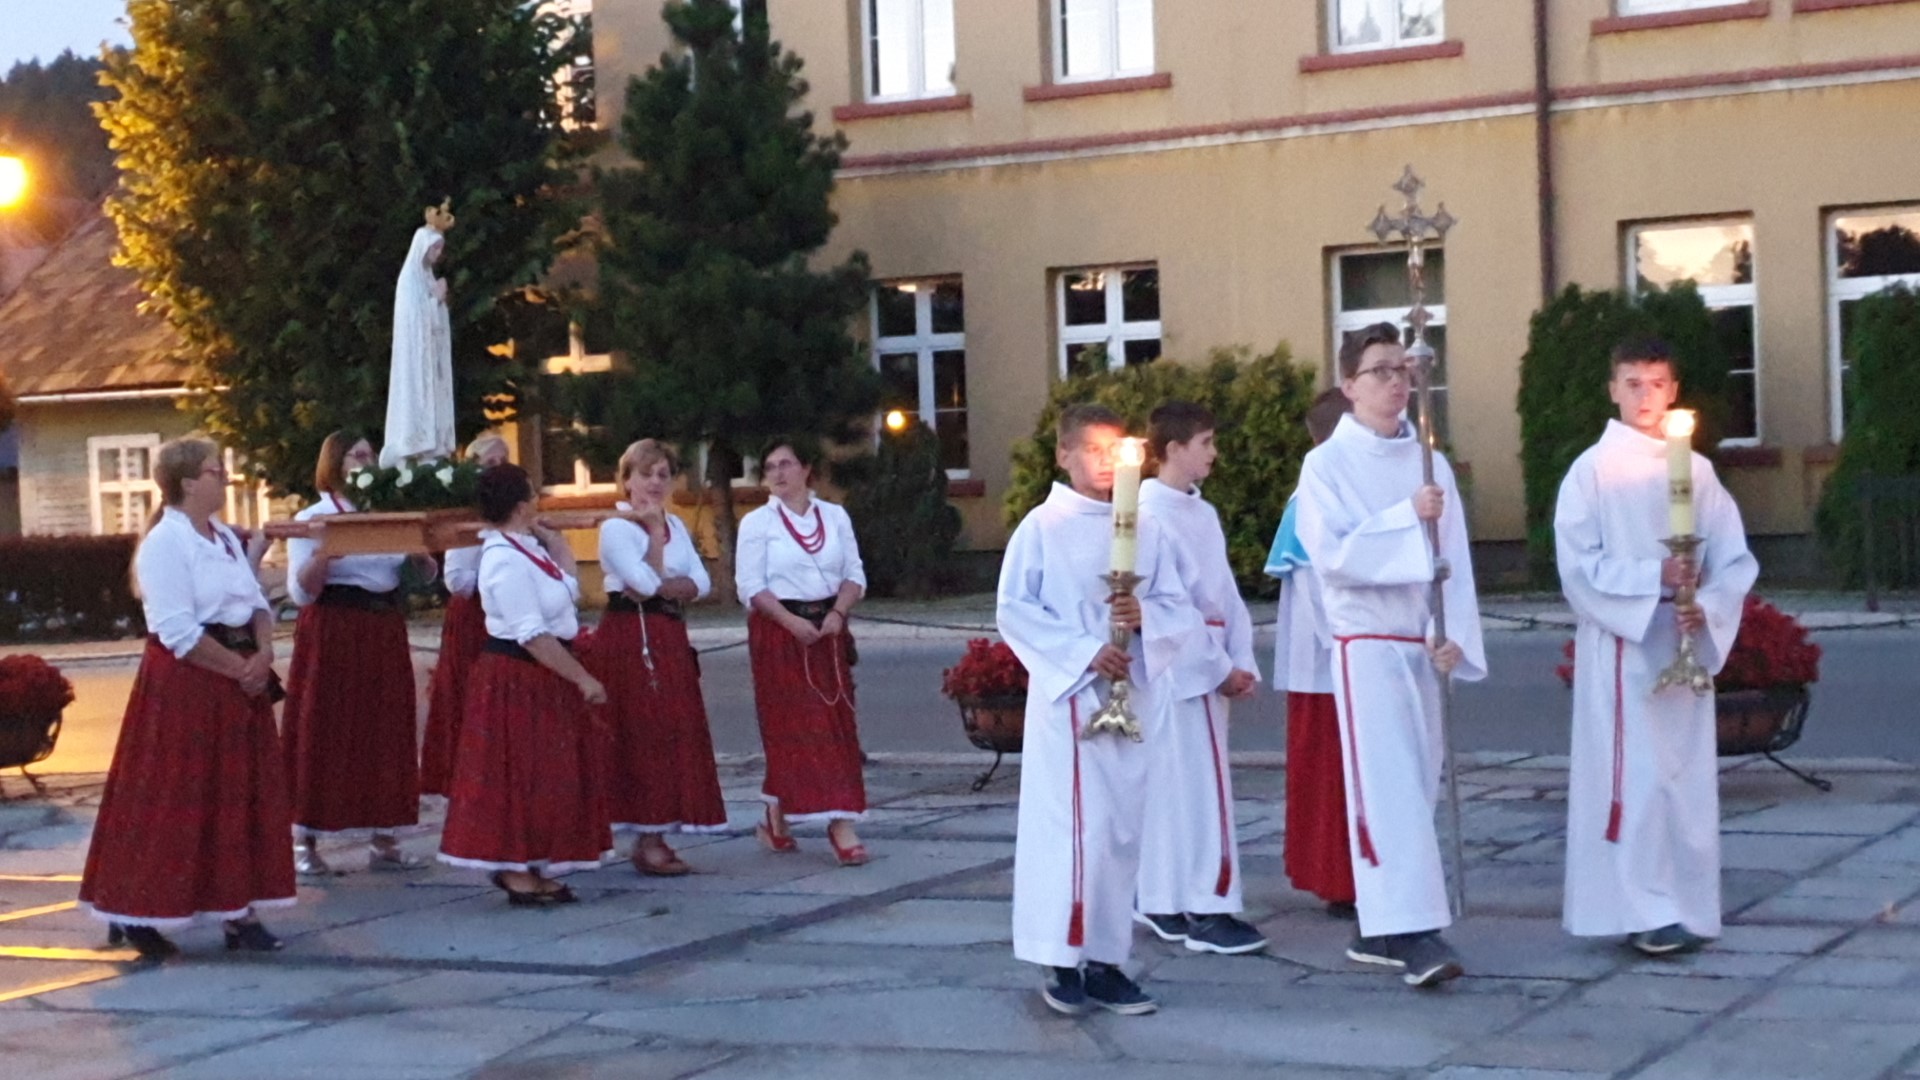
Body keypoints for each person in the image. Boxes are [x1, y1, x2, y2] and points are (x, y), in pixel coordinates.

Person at [1295, 322, 1486, 988]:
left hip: (1419, 644)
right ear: (1349, 385)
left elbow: (1452, 559)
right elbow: (1335, 557)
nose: (1396, 382)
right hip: (1369, 644)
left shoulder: (1428, 462)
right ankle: (1410, 931)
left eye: (1403, 369)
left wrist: (1450, 630)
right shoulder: (1326, 466)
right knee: (1390, 788)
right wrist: (1407, 516)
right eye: (1380, 370)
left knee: (1419, 781)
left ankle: (1379, 927)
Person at [1557, 337, 1757, 955]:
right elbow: (1577, 567)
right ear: (1613, 389)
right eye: (1633, 383)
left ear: (1674, 391)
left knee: (1684, 782)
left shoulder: (1696, 472)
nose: (1645, 396)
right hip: (1627, 646)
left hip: (1682, 642)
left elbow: (1734, 559)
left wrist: (1708, 604)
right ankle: (1643, 909)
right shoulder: (1592, 471)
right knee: (1638, 779)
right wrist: (1654, 578)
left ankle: (1687, 904)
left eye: (1657, 383)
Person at [999, 404, 1199, 1017]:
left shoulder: (1148, 528)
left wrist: (1146, 619)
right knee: (1072, 831)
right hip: (1072, 702)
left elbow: (1177, 602)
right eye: (1092, 449)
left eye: (1116, 450)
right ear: (1064, 455)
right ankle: (1061, 956)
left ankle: (1108, 960)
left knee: (1119, 831)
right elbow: (1015, 609)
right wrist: (1085, 653)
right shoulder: (1042, 527)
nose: (1107, 462)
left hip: (1131, 695)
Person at [78, 437, 294, 958]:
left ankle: (238, 910)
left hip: (238, 681)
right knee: (175, 799)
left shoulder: (222, 538)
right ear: (188, 482)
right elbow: (176, 630)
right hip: (189, 685)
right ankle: (136, 907)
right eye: (216, 471)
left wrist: (263, 655)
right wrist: (239, 668)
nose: (225, 478)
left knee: (239, 797)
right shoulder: (165, 544)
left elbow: (255, 602)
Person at [439, 464, 612, 904]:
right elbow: (531, 633)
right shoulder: (502, 558)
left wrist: (558, 542)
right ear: (519, 506)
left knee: (547, 774)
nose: (538, 502)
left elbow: (567, 590)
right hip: (515, 677)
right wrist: (582, 677)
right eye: (533, 495)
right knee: (517, 776)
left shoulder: (527, 548)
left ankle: (534, 860)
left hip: (542, 677)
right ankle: (513, 867)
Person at [1133, 401, 1266, 956]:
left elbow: (1225, 594)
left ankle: (1167, 896)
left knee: (1195, 786)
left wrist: (1241, 657)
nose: (1214, 452)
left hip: (1210, 657)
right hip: (1177, 666)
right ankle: (1201, 904)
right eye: (1205, 442)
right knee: (1184, 788)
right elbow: (1163, 605)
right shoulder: (1147, 516)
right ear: (1172, 449)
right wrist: (1216, 666)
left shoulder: (1200, 513)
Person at [283, 431, 435, 875]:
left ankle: (385, 837)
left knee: (387, 726)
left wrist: (422, 557)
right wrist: (326, 553)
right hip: (335, 624)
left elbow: (423, 575)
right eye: (359, 456)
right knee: (324, 725)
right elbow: (300, 592)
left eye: (371, 456)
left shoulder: (384, 512)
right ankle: (306, 840)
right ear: (337, 462)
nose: (368, 463)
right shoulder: (313, 517)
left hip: (382, 624)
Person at [587, 439, 728, 876]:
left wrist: (664, 583)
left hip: (668, 632)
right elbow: (642, 584)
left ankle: (658, 830)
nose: (654, 483)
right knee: (641, 730)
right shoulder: (616, 528)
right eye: (645, 474)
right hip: (631, 636)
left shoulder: (677, 525)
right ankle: (641, 831)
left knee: (671, 730)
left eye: (663, 475)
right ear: (627, 480)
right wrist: (653, 547)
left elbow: (701, 584)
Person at [735, 437, 870, 866]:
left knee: (833, 725)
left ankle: (782, 816)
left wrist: (838, 613)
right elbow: (750, 586)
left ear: (806, 469)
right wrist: (790, 623)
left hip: (828, 629)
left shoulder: (834, 516)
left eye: (786, 464)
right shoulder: (757, 523)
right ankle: (838, 825)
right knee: (794, 726)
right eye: (770, 466)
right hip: (780, 631)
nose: (778, 473)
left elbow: (854, 573)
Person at [1266, 388, 1359, 918]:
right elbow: (1319, 592)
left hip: (1334, 663)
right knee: (1332, 779)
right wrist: (1351, 647)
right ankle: (1338, 878)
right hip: (1327, 669)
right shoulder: (1312, 499)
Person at [420, 432, 512, 799]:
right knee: (470, 695)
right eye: (490, 464)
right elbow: (457, 580)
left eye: (503, 463)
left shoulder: (513, 511)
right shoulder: (468, 514)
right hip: (475, 614)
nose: (497, 470)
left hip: (503, 611)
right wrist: (498, 568)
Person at [381, 205, 456, 467]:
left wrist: (439, 303)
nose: (437, 254)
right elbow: (412, 321)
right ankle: (416, 446)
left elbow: (436, 323)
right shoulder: (409, 280)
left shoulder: (428, 278)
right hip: (416, 360)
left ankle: (435, 448)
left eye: (440, 249)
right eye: (434, 248)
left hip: (432, 359)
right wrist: (435, 300)